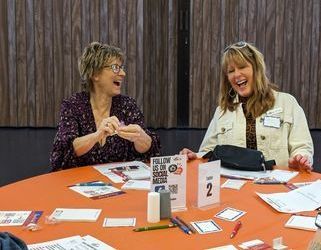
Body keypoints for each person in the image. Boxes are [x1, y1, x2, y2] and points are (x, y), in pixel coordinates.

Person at [180, 41, 314, 172]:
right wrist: (194, 156)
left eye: (242, 67)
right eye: (231, 71)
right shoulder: (222, 111)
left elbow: (302, 147)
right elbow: (208, 152)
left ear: (257, 69)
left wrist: (301, 159)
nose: (237, 74)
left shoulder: (288, 103)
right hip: (235, 189)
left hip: (276, 188)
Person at [50, 42, 160, 171]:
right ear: (95, 74)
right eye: (115, 68)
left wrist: (139, 136)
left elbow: (149, 151)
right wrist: (97, 135)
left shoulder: (127, 105)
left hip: (118, 186)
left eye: (122, 67)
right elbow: (64, 151)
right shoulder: (73, 105)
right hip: (79, 186)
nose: (123, 73)